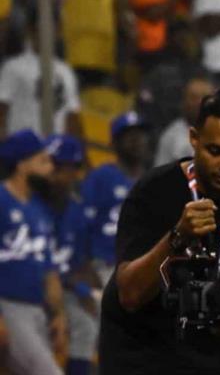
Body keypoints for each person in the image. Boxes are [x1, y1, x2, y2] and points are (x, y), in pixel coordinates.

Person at [98, 88, 220, 374]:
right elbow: (129, 294)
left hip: (214, 344)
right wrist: (178, 237)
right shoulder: (153, 191)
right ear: (194, 139)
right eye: (215, 151)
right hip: (142, 349)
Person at [0, 130, 67, 375]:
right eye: (43, 161)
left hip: (37, 311)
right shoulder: (2, 200)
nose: (51, 168)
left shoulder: (40, 210)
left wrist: (58, 315)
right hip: (9, 307)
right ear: (21, 165)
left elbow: (49, 271)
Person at [45, 135, 98, 375]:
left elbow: (82, 263)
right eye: (49, 164)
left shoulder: (76, 212)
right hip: (28, 290)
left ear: (75, 172)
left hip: (63, 291)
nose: (50, 172)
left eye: (59, 167)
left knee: (87, 324)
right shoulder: (28, 203)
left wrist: (91, 292)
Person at [81, 111, 151, 287]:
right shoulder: (100, 177)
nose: (137, 140)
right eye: (129, 135)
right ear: (115, 143)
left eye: (140, 134)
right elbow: (81, 227)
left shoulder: (155, 181)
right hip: (105, 267)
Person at [155, 74, 215, 166]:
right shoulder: (170, 136)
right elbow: (159, 177)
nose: (199, 103)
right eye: (193, 97)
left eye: (204, 98)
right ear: (184, 101)